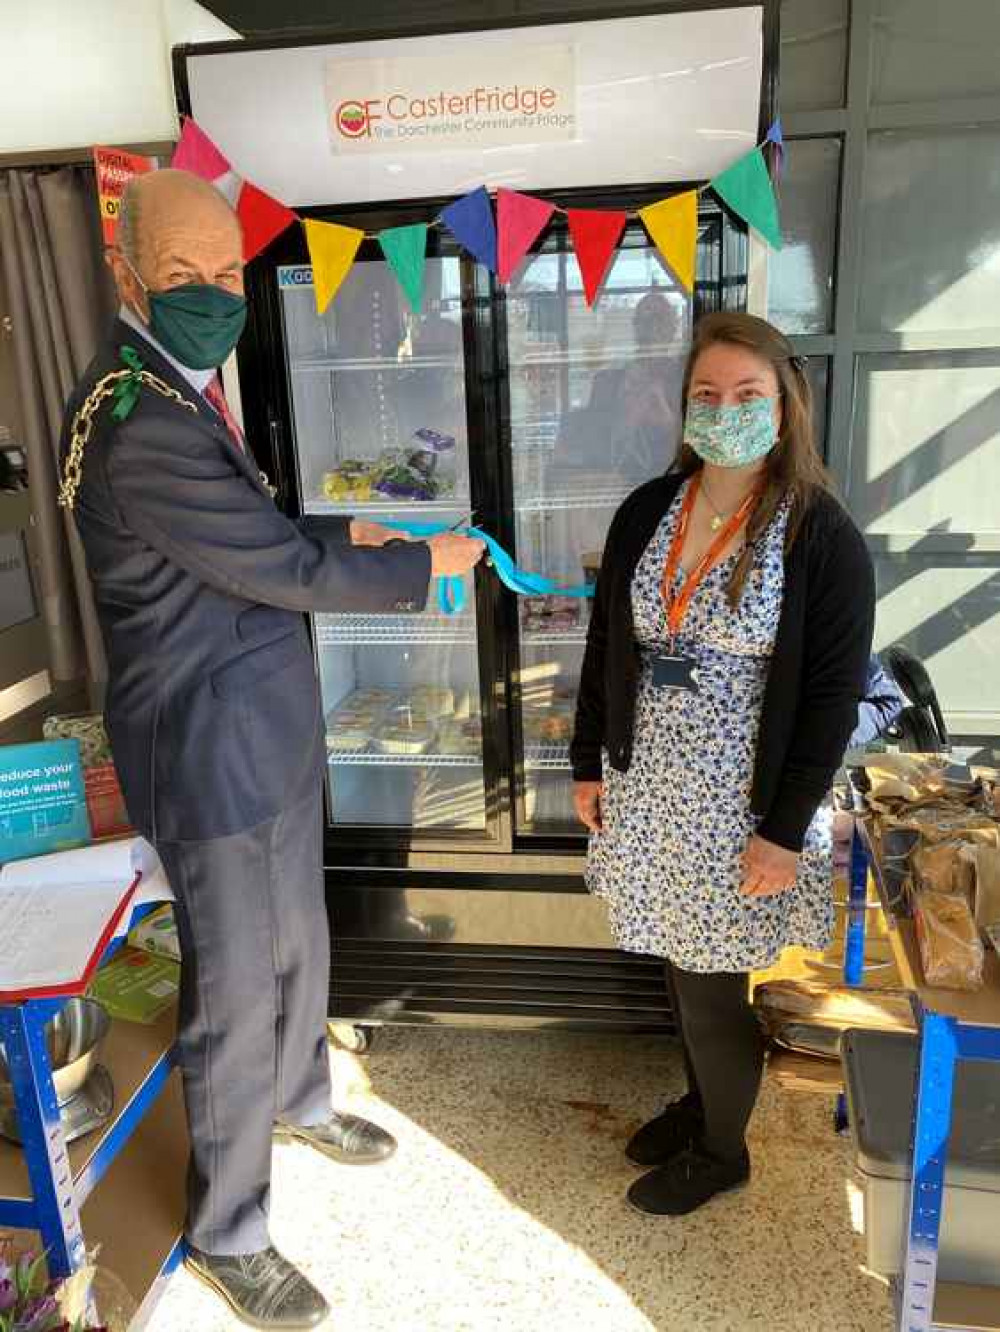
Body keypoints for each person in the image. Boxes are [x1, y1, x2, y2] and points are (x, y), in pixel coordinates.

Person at [59, 169, 483, 1330]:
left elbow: (248, 540)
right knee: (236, 996)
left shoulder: (170, 386)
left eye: (221, 269)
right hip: (212, 752)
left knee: (299, 931)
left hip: (266, 730)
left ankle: (300, 1095)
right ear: (126, 273)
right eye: (181, 273)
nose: (207, 291)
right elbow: (282, 575)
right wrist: (416, 567)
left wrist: (341, 524)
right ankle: (228, 1230)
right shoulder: (139, 416)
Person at [570, 312, 874, 1218]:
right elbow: (606, 647)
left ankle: (722, 1151)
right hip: (648, 787)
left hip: (738, 807)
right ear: (684, 407)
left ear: (785, 405)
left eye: (747, 394)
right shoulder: (647, 511)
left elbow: (830, 698)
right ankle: (707, 1097)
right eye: (707, 394)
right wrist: (588, 762)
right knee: (677, 966)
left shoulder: (819, 534)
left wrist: (783, 833)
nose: (725, 409)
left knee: (711, 986)